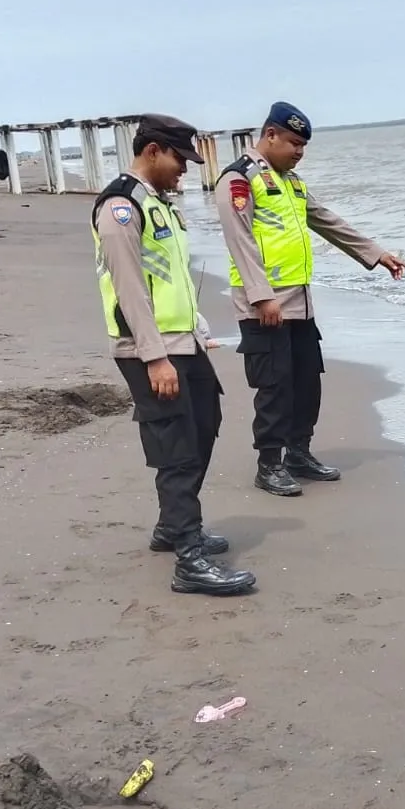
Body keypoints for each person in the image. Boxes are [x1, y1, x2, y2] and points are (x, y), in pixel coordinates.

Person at [92, 114, 255, 597]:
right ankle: (189, 557)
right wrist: (155, 357)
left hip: (181, 341)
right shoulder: (121, 207)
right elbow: (128, 288)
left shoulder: (158, 204)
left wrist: (197, 326)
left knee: (205, 423)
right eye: (179, 159)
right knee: (177, 448)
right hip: (150, 349)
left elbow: (171, 278)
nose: (184, 170)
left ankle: (172, 525)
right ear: (154, 150)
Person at [217, 102, 405, 498]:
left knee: (306, 383)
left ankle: (298, 454)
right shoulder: (239, 179)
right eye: (292, 143)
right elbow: (241, 241)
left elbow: (327, 221)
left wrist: (375, 254)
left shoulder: (292, 183)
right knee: (274, 387)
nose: (299, 152)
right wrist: (261, 296)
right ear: (270, 135)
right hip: (265, 307)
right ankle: (269, 464)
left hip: (299, 305)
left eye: (303, 146)